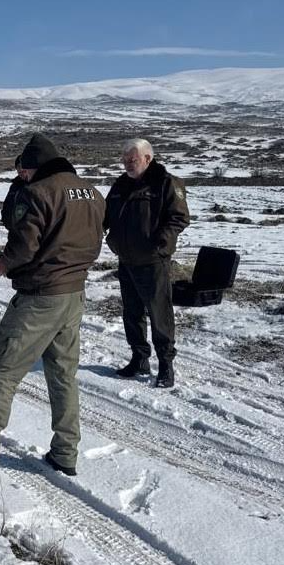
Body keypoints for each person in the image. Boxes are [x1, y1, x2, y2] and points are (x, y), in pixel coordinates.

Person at [0, 134, 105, 476]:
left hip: (40, 297)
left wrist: (4, 263)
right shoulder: (91, 192)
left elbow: (25, 246)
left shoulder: (38, 192)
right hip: (74, 294)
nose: (23, 176)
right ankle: (65, 453)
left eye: (26, 170)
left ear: (37, 166)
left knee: (2, 370)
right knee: (63, 376)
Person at [104, 138, 190, 389]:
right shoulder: (121, 185)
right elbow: (105, 215)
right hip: (126, 260)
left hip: (153, 261)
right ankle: (139, 358)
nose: (127, 164)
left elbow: (179, 217)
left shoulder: (165, 183)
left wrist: (162, 241)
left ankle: (165, 364)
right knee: (132, 313)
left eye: (132, 159)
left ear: (147, 158)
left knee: (159, 314)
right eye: (124, 160)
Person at [0, 155, 30, 230]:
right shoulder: (15, 186)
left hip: (29, 230)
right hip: (13, 230)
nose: (21, 173)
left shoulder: (35, 186)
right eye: (19, 171)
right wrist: (7, 222)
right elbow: (6, 205)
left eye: (23, 171)